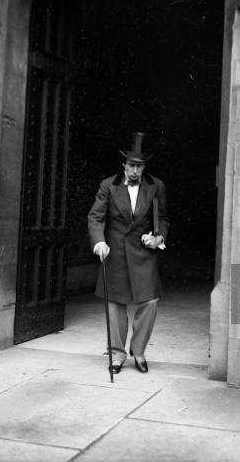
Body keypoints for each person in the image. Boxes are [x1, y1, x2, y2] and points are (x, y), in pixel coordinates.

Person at [87, 132, 169, 374]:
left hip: (144, 254)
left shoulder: (157, 186)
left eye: (140, 166)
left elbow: (163, 218)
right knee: (115, 304)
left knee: (150, 301)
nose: (135, 171)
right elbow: (95, 217)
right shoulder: (108, 186)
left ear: (144, 167)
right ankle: (117, 354)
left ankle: (139, 350)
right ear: (124, 165)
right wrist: (99, 242)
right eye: (131, 165)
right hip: (116, 254)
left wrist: (158, 238)